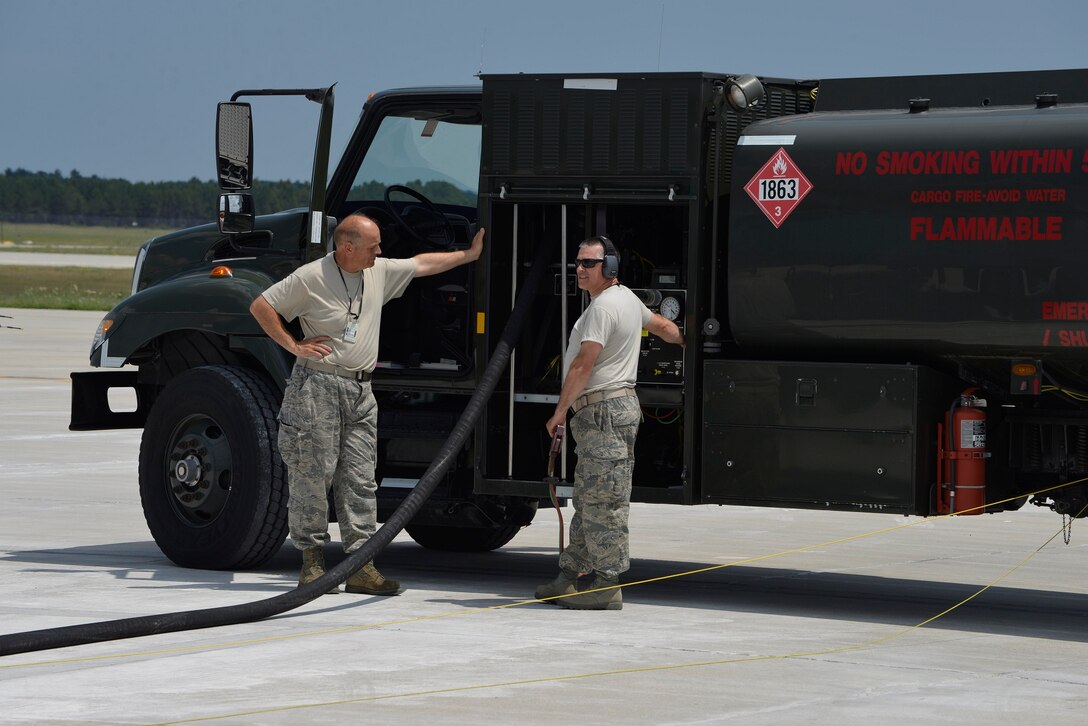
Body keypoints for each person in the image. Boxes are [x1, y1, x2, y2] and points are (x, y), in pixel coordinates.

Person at [250, 213, 484, 595]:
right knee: (313, 474)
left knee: (360, 479)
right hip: (318, 386)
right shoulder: (311, 277)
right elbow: (261, 306)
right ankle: (311, 564)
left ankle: (360, 565)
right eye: (373, 245)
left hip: (360, 391)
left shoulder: (376, 271)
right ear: (347, 247)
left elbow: (421, 263)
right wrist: (293, 345)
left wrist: (468, 256)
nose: (380, 250)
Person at [536, 236, 684, 610]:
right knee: (588, 499)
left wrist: (558, 413)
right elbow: (665, 326)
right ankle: (568, 577)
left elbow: (584, 365)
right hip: (603, 413)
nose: (580, 269)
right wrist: (687, 341)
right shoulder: (629, 300)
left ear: (611, 268)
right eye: (578, 262)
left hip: (603, 411)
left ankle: (607, 583)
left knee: (605, 502)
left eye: (589, 263)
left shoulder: (603, 309)